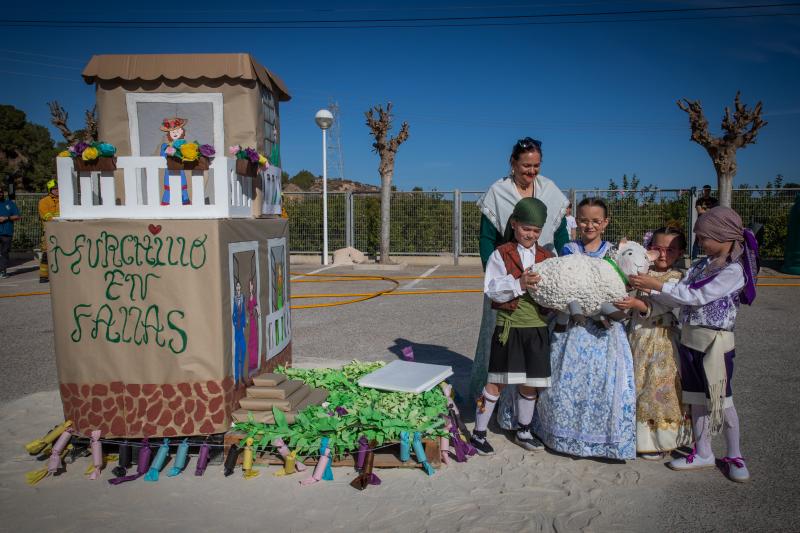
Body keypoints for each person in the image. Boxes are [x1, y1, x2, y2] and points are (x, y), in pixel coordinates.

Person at [630, 206, 759, 483]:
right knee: (696, 400)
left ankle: (735, 454)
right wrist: (651, 289)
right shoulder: (701, 265)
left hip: (715, 343)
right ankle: (703, 452)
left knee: (722, 401)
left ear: (722, 235)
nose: (701, 243)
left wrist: (655, 284)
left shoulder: (733, 271)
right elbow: (678, 298)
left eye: (704, 238)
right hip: (690, 341)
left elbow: (696, 296)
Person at [470, 137, 570, 431]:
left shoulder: (550, 190)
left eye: (536, 166)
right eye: (526, 165)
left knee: (535, 353)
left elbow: (560, 234)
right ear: (513, 164)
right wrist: (500, 273)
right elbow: (487, 238)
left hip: (544, 274)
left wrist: (561, 266)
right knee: (500, 344)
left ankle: (528, 416)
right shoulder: (498, 192)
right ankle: (493, 407)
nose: (531, 172)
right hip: (508, 273)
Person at [532, 197, 637, 460]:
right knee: (565, 379)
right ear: (576, 221)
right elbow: (564, 282)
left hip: (603, 331)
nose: (589, 225)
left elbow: (620, 285)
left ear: (605, 223)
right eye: (583, 220)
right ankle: (560, 434)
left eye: (595, 221)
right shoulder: (568, 249)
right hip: (572, 328)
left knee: (602, 382)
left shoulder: (613, 253)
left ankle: (600, 440)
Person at [470, 198, 554, 454]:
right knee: (496, 382)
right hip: (509, 329)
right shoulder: (501, 253)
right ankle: (479, 432)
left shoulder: (547, 257)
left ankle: (524, 430)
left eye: (536, 230)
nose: (531, 234)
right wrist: (520, 283)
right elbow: (492, 290)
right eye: (526, 228)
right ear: (515, 224)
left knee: (530, 383)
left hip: (537, 329)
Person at [615, 227, 692, 459]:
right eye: (657, 248)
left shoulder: (677, 278)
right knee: (636, 384)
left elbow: (670, 303)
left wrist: (639, 304)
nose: (662, 254)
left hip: (663, 339)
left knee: (660, 386)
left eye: (670, 250)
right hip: (637, 337)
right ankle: (638, 438)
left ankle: (661, 439)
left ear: (679, 253)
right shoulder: (640, 269)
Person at [159, 117, 191, 205]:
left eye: (177, 131)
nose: (175, 133)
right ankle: (167, 206)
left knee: (182, 189)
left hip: (180, 171)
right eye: (173, 132)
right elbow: (164, 155)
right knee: (169, 190)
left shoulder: (184, 145)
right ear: (169, 133)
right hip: (169, 172)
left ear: (181, 131)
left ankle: (185, 204)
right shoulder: (165, 146)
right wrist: (174, 150)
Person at [38, 179, 60, 283]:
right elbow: (46, 216)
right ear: (50, 190)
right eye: (54, 189)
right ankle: (43, 276)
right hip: (48, 231)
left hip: (61, 231)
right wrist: (58, 219)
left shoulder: (64, 200)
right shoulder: (44, 201)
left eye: (57, 188)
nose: (57, 190)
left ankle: (59, 275)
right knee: (47, 254)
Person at [0, 187, 21, 279]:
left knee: (4, 252)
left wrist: (6, 218)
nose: (0, 194)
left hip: (7, 232)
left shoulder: (10, 203)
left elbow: (17, 216)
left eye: (0, 192)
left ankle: (2, 271)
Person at [691, 195, 718, 260]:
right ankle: (693, 259)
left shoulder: (714, 200)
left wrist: (705, 210)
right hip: (701, 223)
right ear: (703, 191)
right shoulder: (699, 200)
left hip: (711, 223)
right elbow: (700, 211)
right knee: (697, 241)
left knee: (711, 240)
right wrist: (710, 210)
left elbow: (716, 210)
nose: (706, 191)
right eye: (705, 190)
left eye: (708, 190)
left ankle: (711, 258)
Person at [247, 278, 260, 374]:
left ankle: (254, 361)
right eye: (250, 285)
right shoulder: (247, 297)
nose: (251, 286)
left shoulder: (252, 296)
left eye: (252, 285)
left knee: (254, 340)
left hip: (253, 320)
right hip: (249, 319)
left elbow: (256, 306)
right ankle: (250, 362)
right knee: (250, 341)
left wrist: (258, 312)